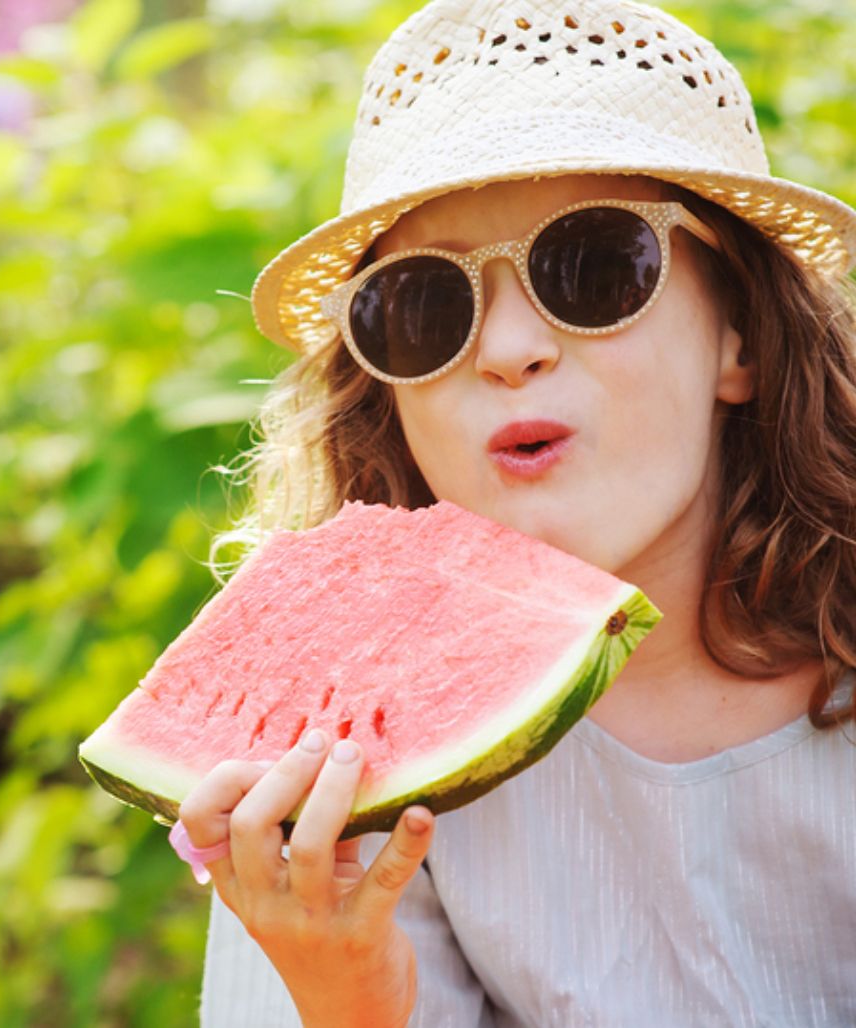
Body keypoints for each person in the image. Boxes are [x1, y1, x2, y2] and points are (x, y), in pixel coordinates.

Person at [176, 0, 856, 1023]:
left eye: (593, 266)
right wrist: (347, 995)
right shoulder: (343, 752)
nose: (506, 349)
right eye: (423, 306)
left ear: (741, 339)